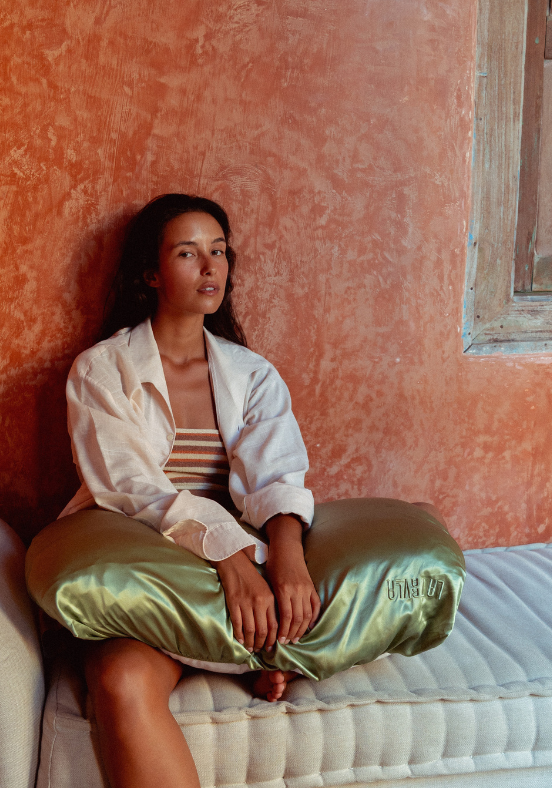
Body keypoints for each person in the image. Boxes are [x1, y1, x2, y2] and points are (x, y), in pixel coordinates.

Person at [59, 194, 440, 788]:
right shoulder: (102, 370)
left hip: (246, 563)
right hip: (151, 563)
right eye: (188, 253)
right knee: (120, 680)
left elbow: (277, 481)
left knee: (412, 529)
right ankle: (249, 654)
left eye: (219, 251)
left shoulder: (253, 374)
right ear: (151, 273)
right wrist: (228, 557)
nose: (210, 268)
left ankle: (255, 649)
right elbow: (130, 489)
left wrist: (285, 561)